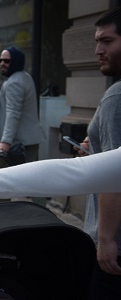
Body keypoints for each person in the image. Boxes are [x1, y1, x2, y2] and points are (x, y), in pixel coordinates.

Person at [85, 8, 121, 298]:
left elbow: (114, 175)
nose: (98, 50)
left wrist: (106, 238)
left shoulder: (116, 97)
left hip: (116, 245)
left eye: (106, 41)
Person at [0, 46, 45, 203]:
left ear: (15, 61)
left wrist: (5, 141)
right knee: (35, 181)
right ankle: (40, 211)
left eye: (7, 61)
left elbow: (13, 112)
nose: (2, 63)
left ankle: (1, 216)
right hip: (26, 141)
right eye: (0, 60)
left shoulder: (14, 82)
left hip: (19, 143)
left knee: (2, 182)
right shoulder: (23, 77)